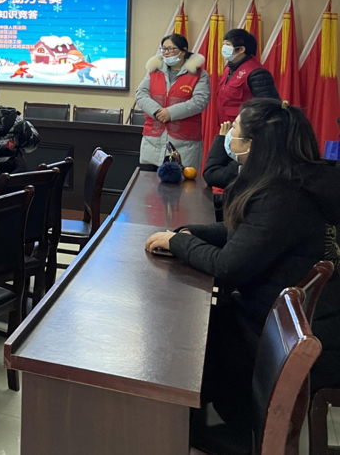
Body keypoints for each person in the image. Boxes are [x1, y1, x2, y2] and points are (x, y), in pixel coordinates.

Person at [145, 99, 340, 430]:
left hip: (283, 347)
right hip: (279, 325)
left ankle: (173, 428)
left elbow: (227, 266)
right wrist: (186, 234)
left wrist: (179, 243)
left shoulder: (283, 196)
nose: (229, 135)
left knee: (186, 343)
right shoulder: (290, 181)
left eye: (234, 129)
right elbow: (243, 232)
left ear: (253, 145)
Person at [134, 34, 210, 172]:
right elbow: (141, 94)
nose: (166, 53)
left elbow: (200, 101)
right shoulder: (154, 71)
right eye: (164, 49)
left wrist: (170, 113)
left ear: (183, 51)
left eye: (171, 49)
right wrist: (157, 111)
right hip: (154, 141)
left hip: (184, 143)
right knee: (150, 183)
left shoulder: (199, 74)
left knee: (182, 183)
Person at [214, 28, 279, 126]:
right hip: (227, 126)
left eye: (227, 44)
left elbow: (268, 106)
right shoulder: (228, 68)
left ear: (241, 49)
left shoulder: (257, 73)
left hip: (247, 128)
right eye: (223, 44)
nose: (223, 48)